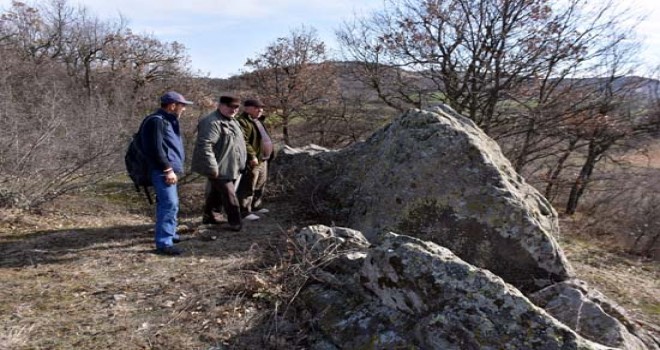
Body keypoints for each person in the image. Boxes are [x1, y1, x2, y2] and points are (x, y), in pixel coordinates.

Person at [142, 91, 193, 256]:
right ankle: (164, 243)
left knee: (170, 204)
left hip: (166, 171)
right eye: (182, 105)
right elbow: (155, 149)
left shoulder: (168, 121)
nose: (184, 109)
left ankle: (170, 234)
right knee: (169, 204)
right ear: (172, 105)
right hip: (162, 171)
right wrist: (168, 169)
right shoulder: (157, 122)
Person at [191, 95, 247, 231]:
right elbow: (205, 145)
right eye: (230, 106)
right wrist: (212, 168)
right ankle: (235, 222)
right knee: (229, 193)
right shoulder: (211, 122)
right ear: (220, 105)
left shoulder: (233, 121)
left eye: (236, 107)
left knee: (216, 192)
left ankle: (209, 216)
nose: (233, 110)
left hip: (231, 165)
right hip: (219, 166)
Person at [236, 98, 275, 221]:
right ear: (248, 108)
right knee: (248, 185)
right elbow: (243, 141)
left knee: (260, 184)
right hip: (253, 160)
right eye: (257, 108)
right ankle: (244, 211)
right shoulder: (242, 122)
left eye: (261, 108)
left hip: (264, 158)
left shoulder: (258, 120)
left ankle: (255, 206)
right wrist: (252, 155)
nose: (261, 110)